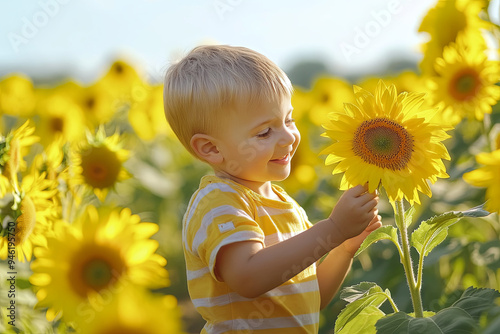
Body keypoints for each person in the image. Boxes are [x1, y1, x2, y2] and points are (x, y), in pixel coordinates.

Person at [163, 44, 381, 334]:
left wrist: (343, 248)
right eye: (265, 131)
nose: (289, 136)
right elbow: (248, 276)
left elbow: (309, 299)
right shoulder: (217, 202)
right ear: (212, 148)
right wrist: (333, 230)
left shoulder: (285, 205)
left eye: (288, 119)